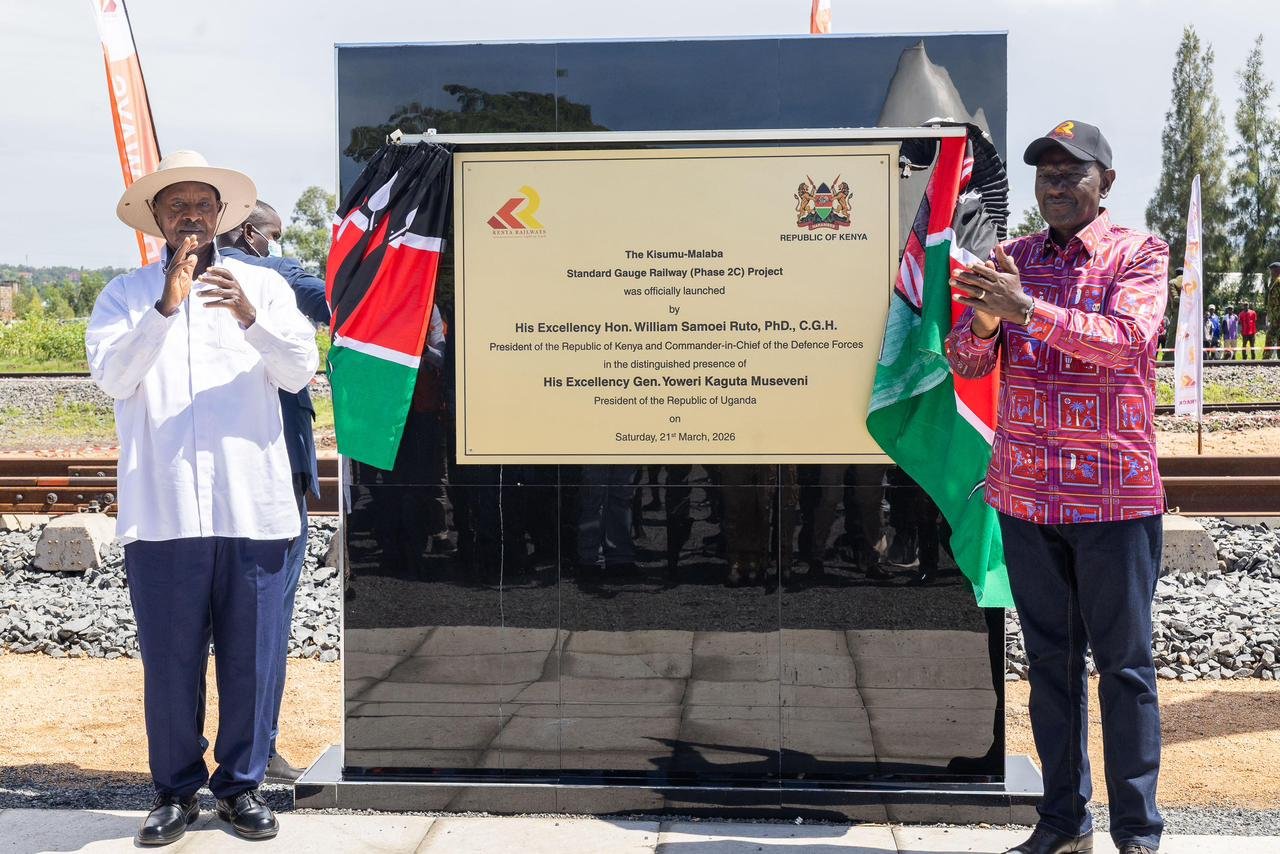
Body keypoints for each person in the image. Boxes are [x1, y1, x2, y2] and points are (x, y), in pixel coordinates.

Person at [945, 121, 1167, 854]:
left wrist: (1026, 310)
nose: (1057, 185)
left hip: (1113, 499)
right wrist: (984, 320)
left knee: (1125, 669)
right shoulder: (1011, 260)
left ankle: (1137, 832)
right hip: (1027, 497)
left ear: (1107, 182)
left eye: (1073, 172)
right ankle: (1064, 821)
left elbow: (1126, 343)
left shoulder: (1139, 253)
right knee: (1049, 667)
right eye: (1046, 173)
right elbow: (966, 362)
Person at [87, 151, 318, 845]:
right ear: (156, 218)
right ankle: (175, 791)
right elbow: (114, 379)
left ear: (221, 215)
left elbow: (299, 369)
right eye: (176, 205)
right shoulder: (125, 295)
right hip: (164, 513)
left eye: (201, 204)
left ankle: (241, 788)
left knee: (253, 657)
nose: (190, 215)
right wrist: (166, 306)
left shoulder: (263, 286)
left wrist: (250, 318)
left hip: (254, 507)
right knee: (170, 663)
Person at [217, 201, 330, 783]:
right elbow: (333, 301)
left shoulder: (183, 278)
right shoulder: (272, 272)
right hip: (277, 469)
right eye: (273, 235)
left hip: (217, 474)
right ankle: (259, 749)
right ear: (247, 233)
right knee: (267, 619)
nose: (277, 244)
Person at [1267, 261, 1280, 358]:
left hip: (1277, 319)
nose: (1271, 273)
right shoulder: (1275, 282)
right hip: (1275, 319)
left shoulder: (1278, 282)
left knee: (1270, 339)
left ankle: (1266, 361)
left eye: (1272, 271)